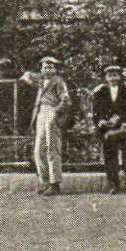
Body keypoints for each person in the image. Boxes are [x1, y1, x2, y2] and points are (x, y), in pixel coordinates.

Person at [21, 56, 73, 196]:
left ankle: (55, 183)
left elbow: (66, 100)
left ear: (55, 69)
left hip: (52, 112)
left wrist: (56, 111)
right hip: (40, 113)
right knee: (38, 149)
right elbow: (27, 75)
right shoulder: (41, 81)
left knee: (52, 148)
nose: (48, 69)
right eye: (45, 67)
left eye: (51, 67)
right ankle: (44, 182)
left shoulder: (58, 81)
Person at [92, 64, 126, 194]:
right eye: (110, 75)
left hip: (124, 126)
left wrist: (123, 121)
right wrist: (101, 120)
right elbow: (96, 110)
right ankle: (113, 183)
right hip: (107, 128)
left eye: (115, 75)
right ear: (105, 77)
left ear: (120, 77)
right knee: (110, 155)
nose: (113, 78)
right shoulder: (100, 91)